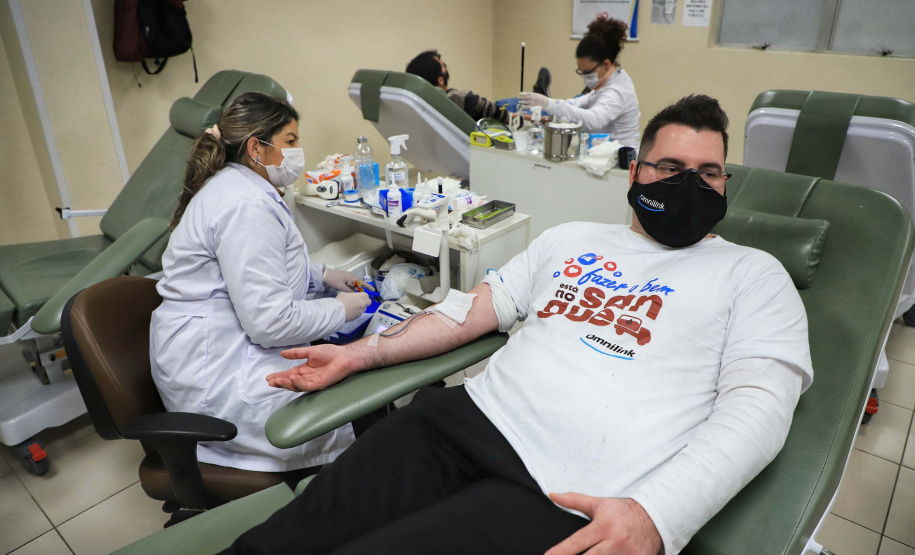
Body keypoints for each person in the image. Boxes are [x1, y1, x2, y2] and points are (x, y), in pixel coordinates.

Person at [222, 95, 811, 554]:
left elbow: (758, 411)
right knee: (284, 539)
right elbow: (470, 309)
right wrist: (364, 353)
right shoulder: (573, 237)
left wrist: (657, 515)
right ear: (634, 174)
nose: (691, 183)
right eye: (671, 167)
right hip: (460, 422)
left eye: (709, 172)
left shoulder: (753, 275)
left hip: (565, 490)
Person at [150, 92, 373, 477]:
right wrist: (342, 310)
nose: (297, 152)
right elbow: (270, 323)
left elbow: (258, 273)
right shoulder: (245, 205)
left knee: (343, 367)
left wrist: (320, 276)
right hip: (216, 375)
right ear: (256, 147)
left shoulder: (239, 188)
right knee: (354, 393)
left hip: (214, 346)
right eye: (290, 141)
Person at [519, 15, 641, 146]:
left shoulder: (617, 91)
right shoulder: (614, 77)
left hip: (620, 159)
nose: (584, 77)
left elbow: (593, 120)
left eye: (588, 72)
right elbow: (578, 102)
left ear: (606, 64)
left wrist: (549, 103)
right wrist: (550, 105)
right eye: (581, 72)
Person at [406, 50, 550, 126]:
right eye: (443, 65)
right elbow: (506, 117)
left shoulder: (422, 104)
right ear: (440, 79)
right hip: (494, 120)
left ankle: (537, 95)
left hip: (484, 114)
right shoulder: (462, 98)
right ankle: (540, 97)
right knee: (510, 105)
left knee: (504, 103)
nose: (446, 67)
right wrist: (542, 119)